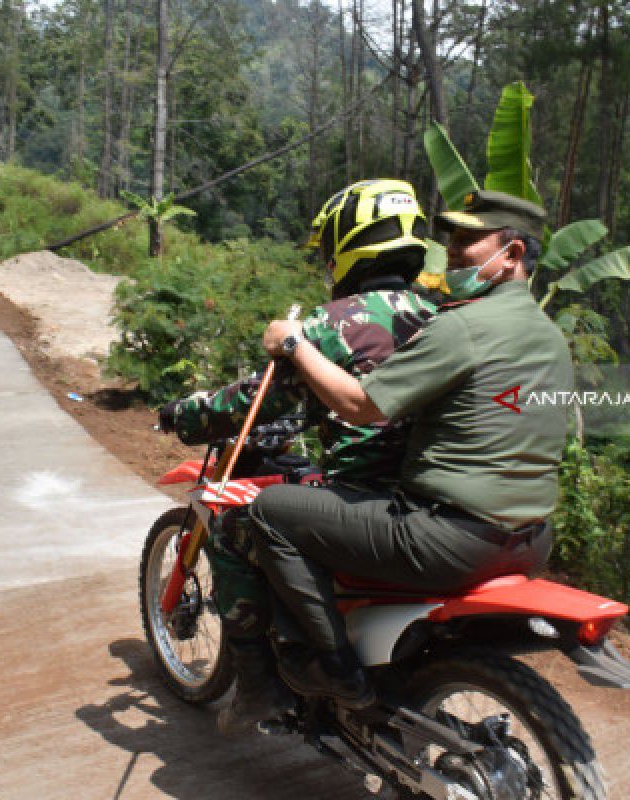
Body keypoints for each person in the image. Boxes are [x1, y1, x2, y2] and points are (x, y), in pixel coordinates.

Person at [250, 189, 575, 708]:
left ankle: (332, 669)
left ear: (512, 254)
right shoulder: (548, 333)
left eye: (469, 239)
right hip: (530, 539)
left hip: (448, 539)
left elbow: (359, 405)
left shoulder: (464, 326)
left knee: (272, 511)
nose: (452, 250)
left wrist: (294, 344)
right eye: (450, 237)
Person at [158, 179, 436, 731]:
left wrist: (184, 414)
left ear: (346, 245)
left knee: (236, 526)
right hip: (435, 499)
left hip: (367, 503)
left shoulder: (330, 325)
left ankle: (260, 684)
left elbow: (247, 403)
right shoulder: (444, 315)